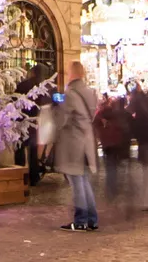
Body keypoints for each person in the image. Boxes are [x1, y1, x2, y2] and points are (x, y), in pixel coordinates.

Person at [53, 61, 98, 232]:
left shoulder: (70, 94)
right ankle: (92, 219)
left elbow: (61, 120)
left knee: (77, 182)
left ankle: (80, 220)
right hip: (87, 142)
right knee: (84, 180)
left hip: (74, 144)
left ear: (72, 74)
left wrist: (56, 109)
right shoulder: (91, 92)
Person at [93, 93, 130, 201]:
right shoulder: (120, 114)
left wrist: (100, 133)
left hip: (107, 144)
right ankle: (116, 188)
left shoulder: (101, 114)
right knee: (117, 166)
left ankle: (111, 190)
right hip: (118, 143)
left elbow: (95, 123)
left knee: (110, 167)